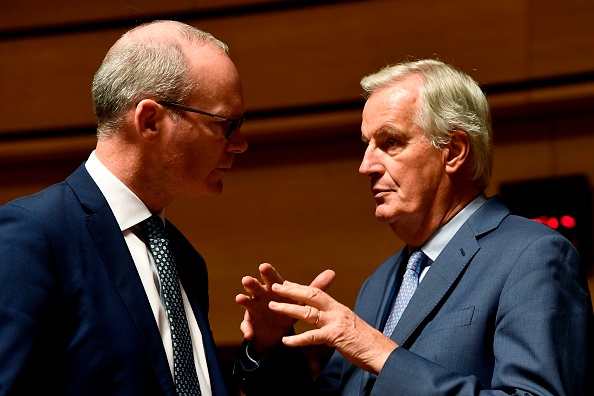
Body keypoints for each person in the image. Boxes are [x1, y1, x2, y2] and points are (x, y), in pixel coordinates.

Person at [233, 59, 594, 395]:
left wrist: (381, 353)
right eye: (367, 145)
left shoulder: (534, 256)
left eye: (390, 142)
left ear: (453, 151)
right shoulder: (381, 282)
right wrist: (268, 349)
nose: (366, 166)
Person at [0, 20, 247, 395]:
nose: (240, 143)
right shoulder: (34, 236)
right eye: (227, 125)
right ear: (150, 121)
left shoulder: (185, 259)